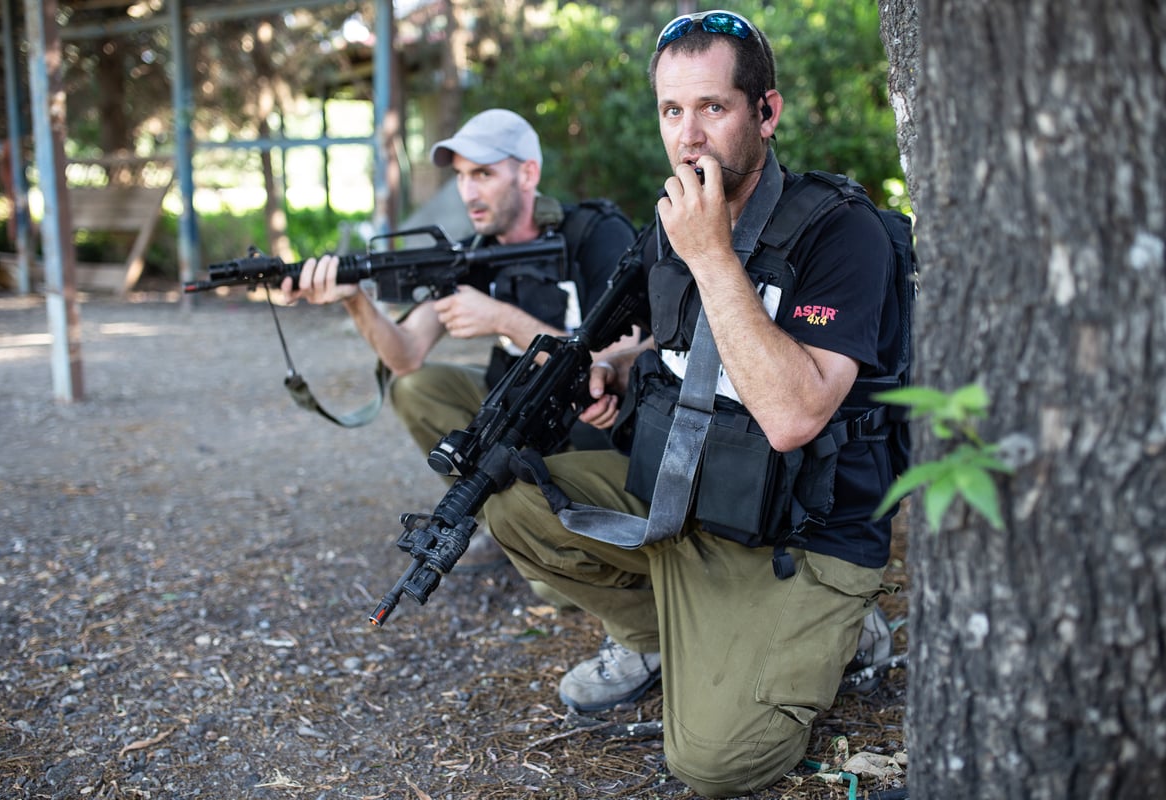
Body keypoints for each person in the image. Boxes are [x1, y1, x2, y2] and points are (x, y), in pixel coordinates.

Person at [484, 11, 900, 798]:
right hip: (688, 504)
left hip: (799, 536)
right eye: (673, 111)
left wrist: (711, 255)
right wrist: (615, 367)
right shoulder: (670, 225)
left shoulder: (843, 234)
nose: (689, 135)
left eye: (713, 107)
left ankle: (841, 630)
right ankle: (656, 638)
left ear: (766, 113)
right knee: (511, 496)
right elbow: (671, 347)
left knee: (714, 764)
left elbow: (796, 414)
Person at [280, 108, 637, 566]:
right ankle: (495, 524)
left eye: (484, 174)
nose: (469, 192)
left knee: (562, 581)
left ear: (528, 173)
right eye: (463, 177)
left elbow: (622, 358)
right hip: (517, 415)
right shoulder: (473, 253)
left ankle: (558, 543)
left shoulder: (594, 235)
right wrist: (354, 299)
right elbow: (406, 355)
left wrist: (503, 319)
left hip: (594, 423)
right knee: (414, 387)